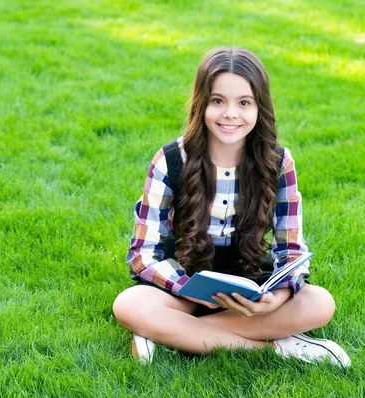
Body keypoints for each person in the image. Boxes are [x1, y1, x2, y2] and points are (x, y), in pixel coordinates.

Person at [113, 47, 350, 367]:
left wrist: (274, 300)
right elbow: (143, 254)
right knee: (129, 304)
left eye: (244, 103)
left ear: (259, 107)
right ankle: (276, 348)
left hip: (249, 286)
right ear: (202, 103)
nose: (230, 114)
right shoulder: (170, 159)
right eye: (218, 101)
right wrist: (187, 290)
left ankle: (166, 334)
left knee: (320, 303)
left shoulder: (279, 161)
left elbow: (291, 251)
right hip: (184, 284)